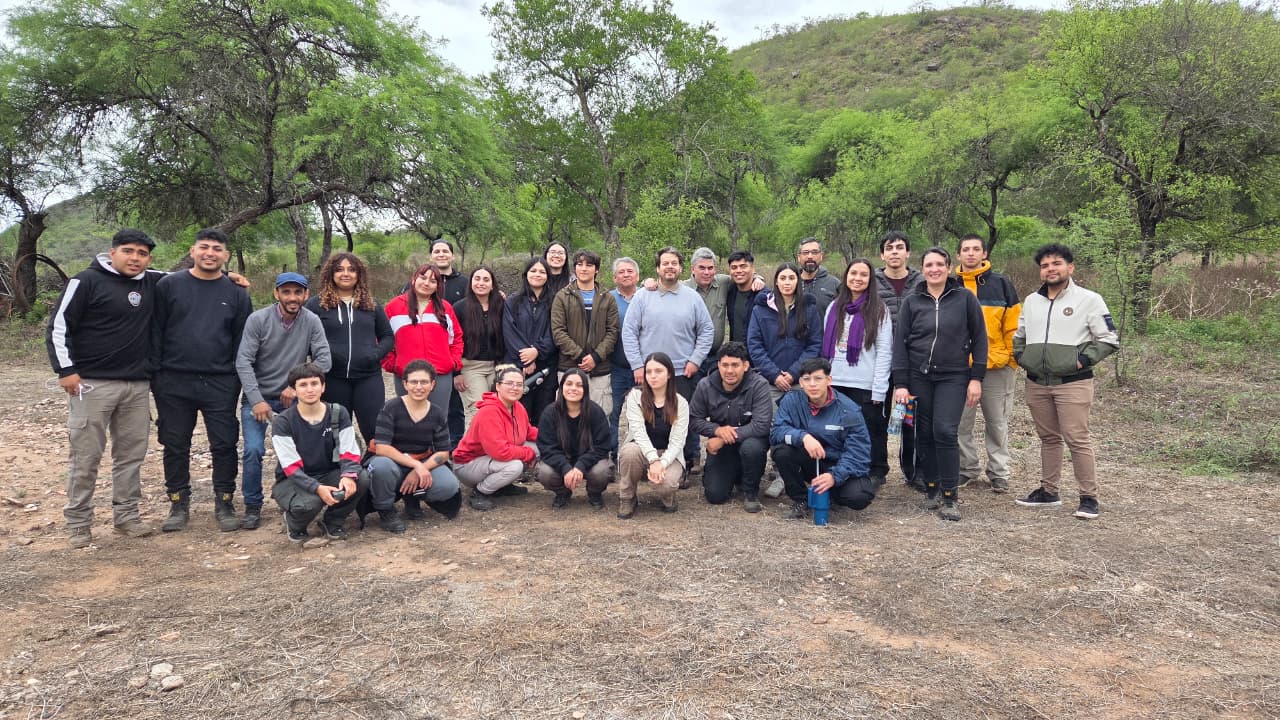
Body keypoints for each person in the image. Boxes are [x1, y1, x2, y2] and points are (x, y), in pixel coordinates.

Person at [47, 229, 161, 548]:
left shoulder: (151, 280)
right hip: (91, 385)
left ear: (148, 259)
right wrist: (66, 370)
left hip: (137, 385)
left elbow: (190, 274)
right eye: (128, 251)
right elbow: (58, 327)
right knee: (86, 456)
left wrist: (227, 274)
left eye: (142, 253)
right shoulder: (85, 281)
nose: (134, 258)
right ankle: (78, 524)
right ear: (112, 252)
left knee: (131, 455)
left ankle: (126, 516)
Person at [150, 228, 253, 533]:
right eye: (204, 247)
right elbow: (155, 330)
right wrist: (156, 375)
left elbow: (242, 340)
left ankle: (224, 502)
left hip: (220, 381)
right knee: (175, 443)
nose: (210, 253)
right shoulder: (169, 285)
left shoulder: (236, 292)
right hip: (172, 380)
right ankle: (178, 503)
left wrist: (235, 379)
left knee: (223, 444)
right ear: (192, 251)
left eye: (217, 248)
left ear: (226, 256)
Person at [1013, 243, 1120, 520]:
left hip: (1073, 383)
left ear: (1070, 268)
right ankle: (1049, 492)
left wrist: (1080, 361)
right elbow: (1020, 336)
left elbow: (1108, 338)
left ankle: (1088, 497)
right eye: (1045, 265)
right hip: (1037, 382)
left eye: (1057, 263)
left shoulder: (1089, 300)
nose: (1051, 269)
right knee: (1048, 438)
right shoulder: (1032, 301)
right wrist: (1022, 357)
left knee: (1077, 438)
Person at [891, 247, 988, 522]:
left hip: (954, 376)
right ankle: (931, 489)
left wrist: (976, 378)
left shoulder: (965, 298)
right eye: (929, 264)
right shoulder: (912, 301)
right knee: (924, 432)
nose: (934, 269)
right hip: (919, 375)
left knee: (945, 431)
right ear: (922, 269)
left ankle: (950, 496)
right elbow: (901, 343)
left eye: (939, 264)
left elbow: (980, 340)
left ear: (949, 267)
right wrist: (901, 383)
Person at [236, 272, 332, 527]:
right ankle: (252, 506)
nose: (292, 297)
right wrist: (256, 399)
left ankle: (290, 498)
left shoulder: (311, 320)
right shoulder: (258, 319)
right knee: (254, 450)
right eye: (286, 292)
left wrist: (296, 385)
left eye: (297, 292)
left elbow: (324, 359)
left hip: (293, 399)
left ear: (305, 295)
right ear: (276, 293)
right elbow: (243, 361)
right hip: (259, 397)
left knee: (295, 452)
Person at [621, 247, 713, 476]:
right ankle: (644, 463)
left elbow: (706, 330)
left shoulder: (692, 297)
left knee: (682, 418)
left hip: (683, 371)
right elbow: (629, 331)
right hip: (648, 373)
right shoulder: (643, 296)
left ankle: (686, 463)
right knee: (645, 418)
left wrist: (696, 359)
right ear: (657, 268)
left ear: (681, 268)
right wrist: (637, 365)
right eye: (665, 263)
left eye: (674, 263)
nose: (670, 267)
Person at [269, 362, 369, 543]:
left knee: (360, 478)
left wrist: (348, 476)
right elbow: (291, 467)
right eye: (303, 385)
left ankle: (333, 521)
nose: (310, 389)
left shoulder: (338, 412)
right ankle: (295, 523)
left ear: (323, 387)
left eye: (314, 384)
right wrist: (317, 488)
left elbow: (349, 451)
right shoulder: (283, 422)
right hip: (294, 479)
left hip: (329, 472)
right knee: (309, 504)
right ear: (293, 390)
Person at [304, 252, 393, 448]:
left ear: (359, 274)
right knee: (335, 430)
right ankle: (340, 472)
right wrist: (321, 357)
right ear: (331, 274)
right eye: (339, 269)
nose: (346, 274)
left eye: (351, 270)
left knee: (374, 429)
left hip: (368, 378)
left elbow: (388, 336)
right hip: (332, 378)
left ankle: (374, 469)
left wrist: (375, 355)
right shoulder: (316, 305)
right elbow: (304, 338)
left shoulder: (371, 304)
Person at [954, 234, 1021, 493]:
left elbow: (1014, 326)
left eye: (976, 249)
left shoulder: (1001, 284)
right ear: (958, 255)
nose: (971, 254)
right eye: (965, 249)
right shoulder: (950, 284)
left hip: (997, 366)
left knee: (997, 422)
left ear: (984, 254)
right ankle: (967, 468)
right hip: (960, 367)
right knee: (961, 423)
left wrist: (1011, 359)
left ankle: (999, 472)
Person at [770, 358, 875, 519]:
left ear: (829, 380)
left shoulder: (849, 410)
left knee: (859, 495)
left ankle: (830, 494)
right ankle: (801, 499)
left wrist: (835, 476)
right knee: (781, 451)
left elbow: (859, 453)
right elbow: (776, 432)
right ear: (801, 382)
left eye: (818, 378)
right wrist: (803, 437)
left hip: (839, 464)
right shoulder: (791, 401)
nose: (812, 384)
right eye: (807, 379)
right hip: (809, 461)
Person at [365, 361, 463, 533]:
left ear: (433, 384)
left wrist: (422, 467)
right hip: (391, 461)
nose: (419, 387)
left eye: (424, 382)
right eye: (414, 382)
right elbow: (382, 448)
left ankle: (412, 496)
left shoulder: (437, 413)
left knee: (449, 485)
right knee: (381, 467)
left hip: (422, 458)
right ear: (405, 384)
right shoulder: (391, 407)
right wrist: (416, 466)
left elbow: (443, 452)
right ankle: (385, 509)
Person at [823, 258, 893, 486]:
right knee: (840, 429)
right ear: (846, 276)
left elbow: (884, 351)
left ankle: (876, 471)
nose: (857, 278)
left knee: (871, 430)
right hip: (837, 380)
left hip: (865, 383)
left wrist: (879, 388)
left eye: (863, 275)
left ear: (870, 280)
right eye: (853, 273)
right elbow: (826, 347)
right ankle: (845, 468)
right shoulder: (834, 307)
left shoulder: (879, 309)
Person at [689, 342, 773, 512]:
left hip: (750, 441)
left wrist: (722, 438)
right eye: (725, 365)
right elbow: (693, 419)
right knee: (715, 496)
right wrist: (717, 430)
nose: (729, 371)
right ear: (718, 365)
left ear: (746, 365)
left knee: (752, 448)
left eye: (735, 365)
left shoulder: (759, 385)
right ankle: (733, 475)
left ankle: (750, 492)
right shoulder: (705, 385)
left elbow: (762, 425)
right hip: (723, 446)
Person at [452, 364, 540, 511]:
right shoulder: (489, 412)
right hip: (467, 464)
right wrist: (528, 454)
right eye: (509, 383)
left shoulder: (517, 406)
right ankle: (480, 492)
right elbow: (500, 452)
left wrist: (552, 436)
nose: (515, 388)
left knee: (538, 446)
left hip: (490, 459)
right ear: (498, 386)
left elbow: (528, 431)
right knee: (515, 465)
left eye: (519, 384)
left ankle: (501, 486)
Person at [875, 230, 923, 491]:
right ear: (882, 254)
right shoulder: (871, 280)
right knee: (878, 415)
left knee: (910, 417)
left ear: (907, 253)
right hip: (879, 360)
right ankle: (878, 469)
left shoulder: (922, 281)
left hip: (913, 359)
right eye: (889, 248)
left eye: (900, 247)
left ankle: (913, 470)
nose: (894, 251)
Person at [617, 352, 689, 518]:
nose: (653, 376)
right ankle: (627, 497)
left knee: (667, 484)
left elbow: (677, 442)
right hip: (642, 453)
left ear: (669, 373)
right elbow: (638, 433)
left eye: (658, 371)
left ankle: (667, 495)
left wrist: (661, 462)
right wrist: (653, 460)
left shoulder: (681, 403)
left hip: (668, 455)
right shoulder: (635, 397)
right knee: (629, 451)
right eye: (648, 372)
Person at [382, 263, 463, 411]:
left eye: (433, 281)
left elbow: (456, 338)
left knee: (438, 419)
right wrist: (393, 364)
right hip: (406, 375)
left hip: (440, 375)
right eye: (423, 278)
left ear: (438, 286)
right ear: (414, 279)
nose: (427, 283)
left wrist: (453, 362)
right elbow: (382, 339)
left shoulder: (445, 308)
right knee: (407, 419)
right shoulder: (393, 307)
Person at [551, 249, 620, 414]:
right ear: (574, 268)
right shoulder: (562, 296)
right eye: (579, 264)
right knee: (568, 417)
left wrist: (595, 357)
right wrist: (582, 357)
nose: (584, 268)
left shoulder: (607, 298)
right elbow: (558, 331)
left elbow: (613, 331)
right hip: (570, 366)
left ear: (596, 269)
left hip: (600, 370)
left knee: (599, 416)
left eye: (589, 265)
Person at [535, 369, 614, 509]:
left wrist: (581, 465)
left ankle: (594, 493)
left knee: (602, 471)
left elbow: (602, 446)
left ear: (585, 389)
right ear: (562, 387)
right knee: (544, 472)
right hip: (561, 461)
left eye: (579, 385)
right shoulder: (550, 413)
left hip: (589, 462)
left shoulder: (595, 412)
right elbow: (546, 447)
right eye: (569, 384)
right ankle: (562, 492)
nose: (573, 389)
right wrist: (565, 467)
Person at [747, 263, 824, 404]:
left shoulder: (809, 309)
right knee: (770, 423)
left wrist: (794, 373)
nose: (787, 282)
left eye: (791, 278)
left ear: (798, 280)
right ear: (776, 282)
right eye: (782, 278)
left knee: (800, 423)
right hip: (769, 383)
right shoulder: (760, 309)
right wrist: (775, 374)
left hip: (800, 382)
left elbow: (814, 344)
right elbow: (755, 345)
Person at [504, 257, 559, 423]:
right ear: (526, 274)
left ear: (548, 276)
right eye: (533, 271)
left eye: (542, 271)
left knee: (544, 412)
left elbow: (555, 330)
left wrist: (537, 351)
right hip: (518, 366)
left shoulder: (555, 301)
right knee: (519, 412)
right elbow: (509, 331)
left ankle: (541, 448)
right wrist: (526, 360)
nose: (537, 274)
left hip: (546, 365)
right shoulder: (512, 301)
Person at [452, 266, 506, 429]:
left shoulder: (501, 305)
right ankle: (482, 450)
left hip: (497, 366)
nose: (481, 283)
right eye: (477, 279)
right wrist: (457, 373)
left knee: (500, 408)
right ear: (470, 283)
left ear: (492, 284)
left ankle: (498, 446)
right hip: (471, 366)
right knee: (481, 409)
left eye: (486, 279)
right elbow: (453, 340)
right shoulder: (460, 307)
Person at [428, 239, 468, 446]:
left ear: (453, 256)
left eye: (445, 251)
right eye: (437, 251)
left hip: (455, 350)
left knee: (454, 404)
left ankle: (455, 444)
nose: (441, 254)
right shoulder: (419, 281)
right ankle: (428, 444)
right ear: (431, 256)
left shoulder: (465, 283)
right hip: (427, 352)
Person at [608, 257, 640, 451]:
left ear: (637, 275)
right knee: (612, 412)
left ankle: (634, 455)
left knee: (638, 415)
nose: (626, 275)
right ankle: (610, 455)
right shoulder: (607, 298)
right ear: (614, 277)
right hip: (615, 366)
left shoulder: (647, 295)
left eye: (630, 271)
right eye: (621, 272)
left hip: (642, 368)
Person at [796, 237, 841, 315]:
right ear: (799, 257)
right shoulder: (791, 283)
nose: (810, 256)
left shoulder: (834, 284)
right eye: (805, 252)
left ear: (821, 256)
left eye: (814, 252)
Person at [725, 250, 761, 344]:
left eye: (743, 266)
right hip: (736, 353)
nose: (738, 271)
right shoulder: (729, 290)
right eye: (734, 267)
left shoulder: (763, 295)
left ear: (753, 269)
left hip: (756, 355)